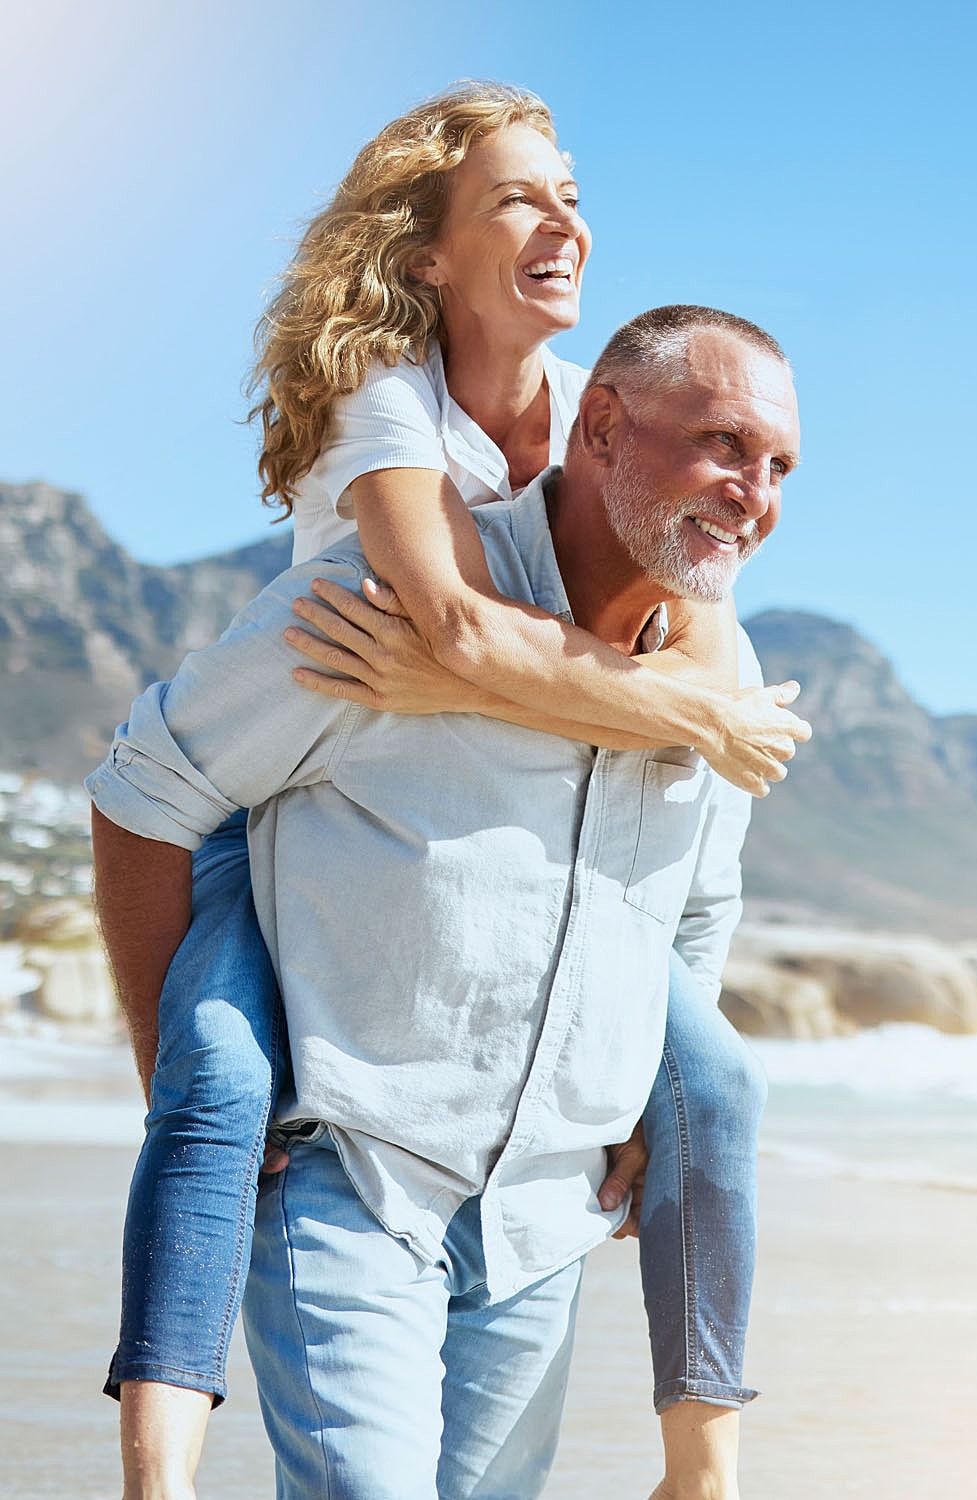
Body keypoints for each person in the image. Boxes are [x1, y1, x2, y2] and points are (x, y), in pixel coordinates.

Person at [95, 84, 807, 1500]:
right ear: (427, 251)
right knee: (220, 1073)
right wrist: (491, 682)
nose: (751, 490)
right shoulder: (388, 436)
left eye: (574, 196)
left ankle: (705, 1460)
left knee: (712, 1068)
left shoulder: (606, 472)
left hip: (536, 1211)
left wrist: (623, 1085)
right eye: (517, 198)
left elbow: (691, 888)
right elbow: (457, 627)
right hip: (324, 1009)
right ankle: (154, 1468)